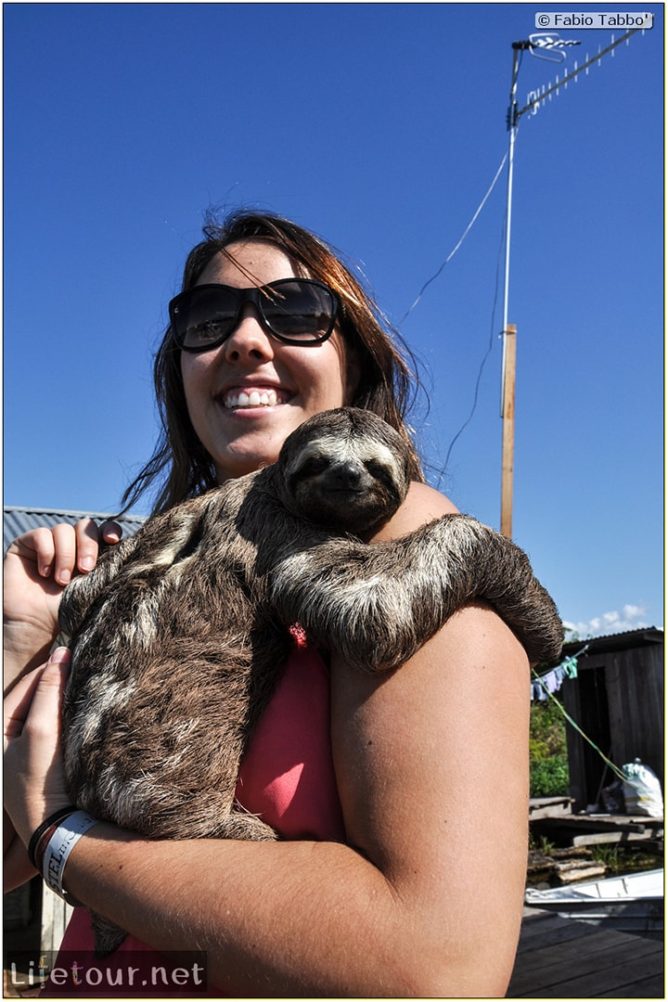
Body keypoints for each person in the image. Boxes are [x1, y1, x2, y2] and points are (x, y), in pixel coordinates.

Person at [4, 211, 531, 997]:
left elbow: (437, 970)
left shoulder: (406, 541)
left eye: (295, 312)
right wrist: (22, 648)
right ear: (178, 372)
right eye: (207, 321)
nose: (246, 340)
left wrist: (64, 840)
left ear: (353, 362)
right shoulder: (158, 559)